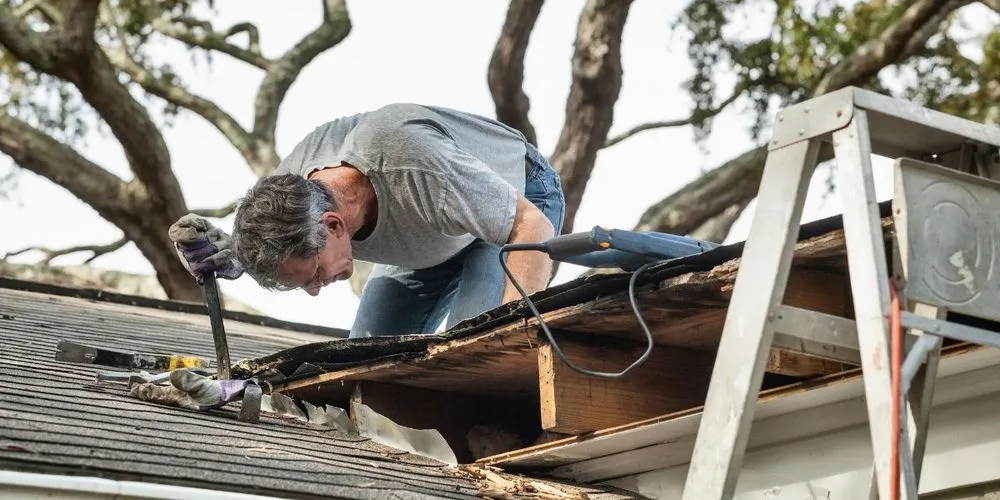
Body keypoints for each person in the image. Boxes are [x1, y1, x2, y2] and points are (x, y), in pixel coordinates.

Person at [168, 103, 565, 338]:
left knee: (477, 341)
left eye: (314, 275)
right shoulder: (288, 196)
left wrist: (516, 343)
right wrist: (228, 254)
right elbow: (268, 248)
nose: (315, 291)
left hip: (516, 199)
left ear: (334, 225)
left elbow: (530, 227)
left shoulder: (412, 163)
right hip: (433, 223)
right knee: (363, 360)